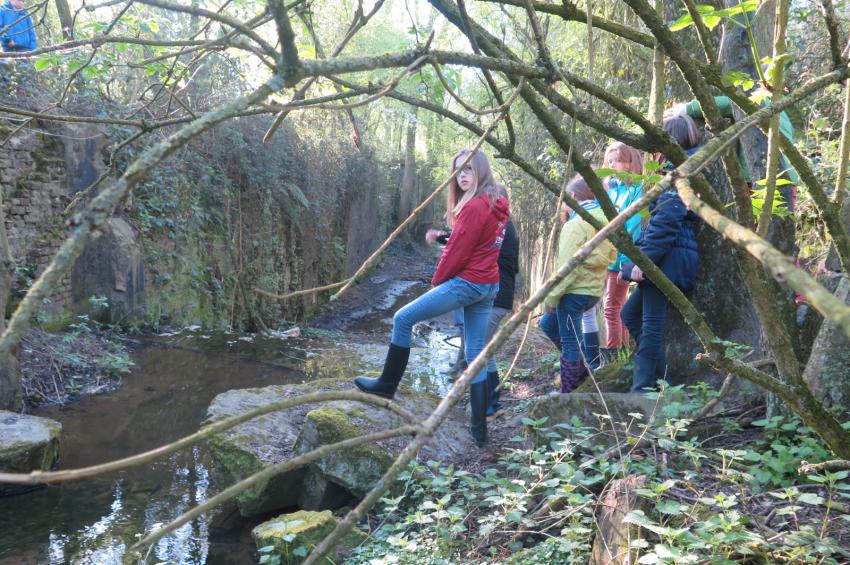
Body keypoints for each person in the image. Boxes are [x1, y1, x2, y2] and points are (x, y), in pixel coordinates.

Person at [356, 148, 509, 447]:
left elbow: (457, 252)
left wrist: (437, 282)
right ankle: (479, 430)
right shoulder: (496, 202)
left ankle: (386, 386)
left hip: (469, 282)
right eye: (458, 171)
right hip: (489, 283)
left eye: (468, 169)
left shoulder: (476, 206)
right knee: (476, 353)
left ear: (481, 170)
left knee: (402, 318)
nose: (462, 175)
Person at [619, 114, 700, 392]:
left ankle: (642, 389)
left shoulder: (679, 174)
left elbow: (665, 224)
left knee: (651, 325)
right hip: (668, 258)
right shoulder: (676, 170)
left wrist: (643, 262)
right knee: (630, 315)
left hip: (668, 261)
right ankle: (663, 379)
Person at [426, 187, 519, 419]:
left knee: (479, 352)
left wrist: (440, 238)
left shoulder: (502, 227)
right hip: (495, 296)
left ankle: (489, 406)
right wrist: (442, 236)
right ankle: (490, 403)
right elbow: (466, 237)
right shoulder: (502, 225)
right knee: (483, 351)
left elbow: (466, 241)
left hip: (495, 297)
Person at [541, 175, 616, 393]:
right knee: (547, 325)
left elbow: (567, 266)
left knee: (570, 342)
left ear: (573, 197)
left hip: (572, 292)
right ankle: (581, 371)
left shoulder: (575, 224)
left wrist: (552, 298)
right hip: (592, 291)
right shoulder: (607, 219)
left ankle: (569, 390)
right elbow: (612, 254)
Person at [600, 142, 645, 361]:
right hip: (609, 257)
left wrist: (625, 264)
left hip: (622, 259)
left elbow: (633, 229)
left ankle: (612, 355)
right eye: (609, 160)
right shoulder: (611, 190)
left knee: (611, 307)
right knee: (618, 307)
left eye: (617, 160)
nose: (612, 164)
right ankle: (623, 354)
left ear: (630, 163)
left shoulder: (637, 189)